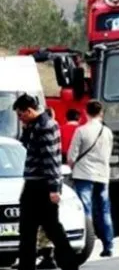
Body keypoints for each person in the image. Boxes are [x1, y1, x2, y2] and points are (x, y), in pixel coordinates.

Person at [12, 94, 79, 270]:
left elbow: (50, 158)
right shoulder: (34, 126)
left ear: (29, 110)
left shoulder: (45, 126)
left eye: (21, 114)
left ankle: (69, 262)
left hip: (42, 184)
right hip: (33, 183)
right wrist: (26, 129)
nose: (20, 118)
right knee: (27, 228)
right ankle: (26, 264)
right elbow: (27, 146)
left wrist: (53, 188)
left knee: (51, 227)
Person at [67, 100, 115, 257]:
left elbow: (71, 156)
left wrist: (72, 167)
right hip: (102, 174)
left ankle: (87, 243)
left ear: (85, 111)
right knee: (104, 210)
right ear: (101, 113)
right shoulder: (107, 132)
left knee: (86, 210)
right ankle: (108, 245)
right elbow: (108, 153)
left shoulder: (81, 131)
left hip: (83, 174)